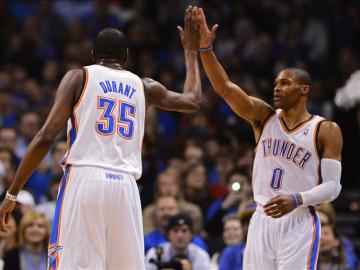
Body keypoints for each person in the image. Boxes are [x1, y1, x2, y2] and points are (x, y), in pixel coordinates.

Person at [0, 7, 202, 270]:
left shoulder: (79, 76)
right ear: (126, 58)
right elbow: (193, 100)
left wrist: (12, 193)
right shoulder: (145, 86)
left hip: (85, 178)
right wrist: (190, 50)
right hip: (126, 186)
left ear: (93, 56)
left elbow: (46, 136)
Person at [190, 7, 343, 270]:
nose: (277, 88)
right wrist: (206, 51)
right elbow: (224, 88)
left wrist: (296, 198)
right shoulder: (264, 117)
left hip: (299, 219)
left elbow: (333, 187)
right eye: (275, 83)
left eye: (285, 83)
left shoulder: (325, 129)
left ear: (304, 89)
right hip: (261, 218)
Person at [145, 213, 210, 270]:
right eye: (175, 230)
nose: (180, 235)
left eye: (184, 230)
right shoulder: (155, 254)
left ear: (192, 234)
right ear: (168, 234)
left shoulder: (200, 256)